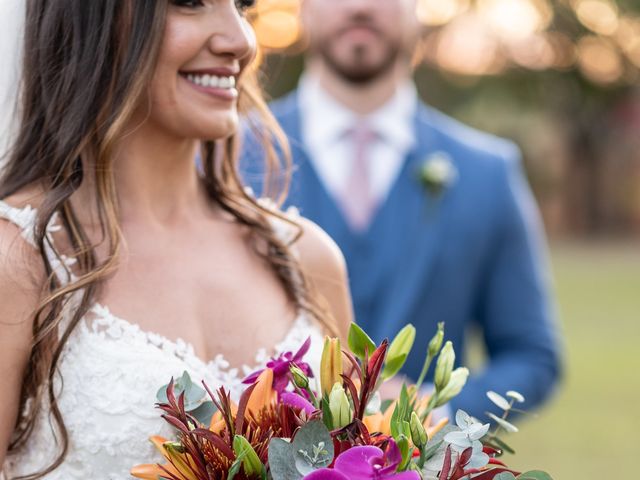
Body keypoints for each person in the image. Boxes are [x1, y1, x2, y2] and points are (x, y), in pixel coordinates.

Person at [0, 1, 352, 478]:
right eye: (189, 3)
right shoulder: (20, 259)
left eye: (241, 5)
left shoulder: (305, 258)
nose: (241, 41)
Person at [241, 0, 562, 419]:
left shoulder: (488, 173)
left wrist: (432, 413)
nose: (359, 7)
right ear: (304, 9)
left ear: (417, 10)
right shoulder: (227, 160)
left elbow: (532, 356)